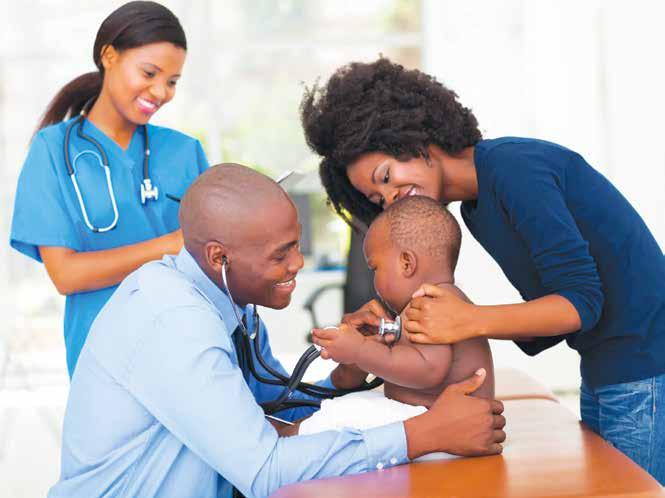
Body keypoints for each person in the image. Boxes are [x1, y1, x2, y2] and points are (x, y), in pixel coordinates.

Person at [300, 57, 665, 483]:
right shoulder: (477, 207)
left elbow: (580, 304)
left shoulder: (514, 169)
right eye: (378, 199)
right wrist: (404, 331)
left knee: (632, 489)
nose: (391, 196)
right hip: (610, 364)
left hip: (645, 363)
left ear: (409, 137)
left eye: (385, 175)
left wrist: (467, 320)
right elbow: (552, 319)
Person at [47, 163, 505, 498]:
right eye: (280, 254)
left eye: (297, 244)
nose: (298, 263)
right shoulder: (175, 323)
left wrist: (343, 379)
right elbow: (263, 467)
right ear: (219, 257)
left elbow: (267, 407)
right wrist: (425, 433)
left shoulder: (229, 304)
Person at [9, 1, 208, 377]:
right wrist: (171, 245)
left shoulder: (185, 151)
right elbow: (66, 274)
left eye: (172, 81)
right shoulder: (53, 151)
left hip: (187, 346)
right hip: (103, 357)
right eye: (149, 73)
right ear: (109, 56)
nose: (161, 91)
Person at [301, 196, 494, 442]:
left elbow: (428, 370)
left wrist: (359, 351)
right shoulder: (438, 300)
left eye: (375, 268)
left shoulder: (431, 304)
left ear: (406, 263)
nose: (374, 281)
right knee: (353, 405)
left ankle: (281, 443)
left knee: (341, 412)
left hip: (445, 428)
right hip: (439, 423)